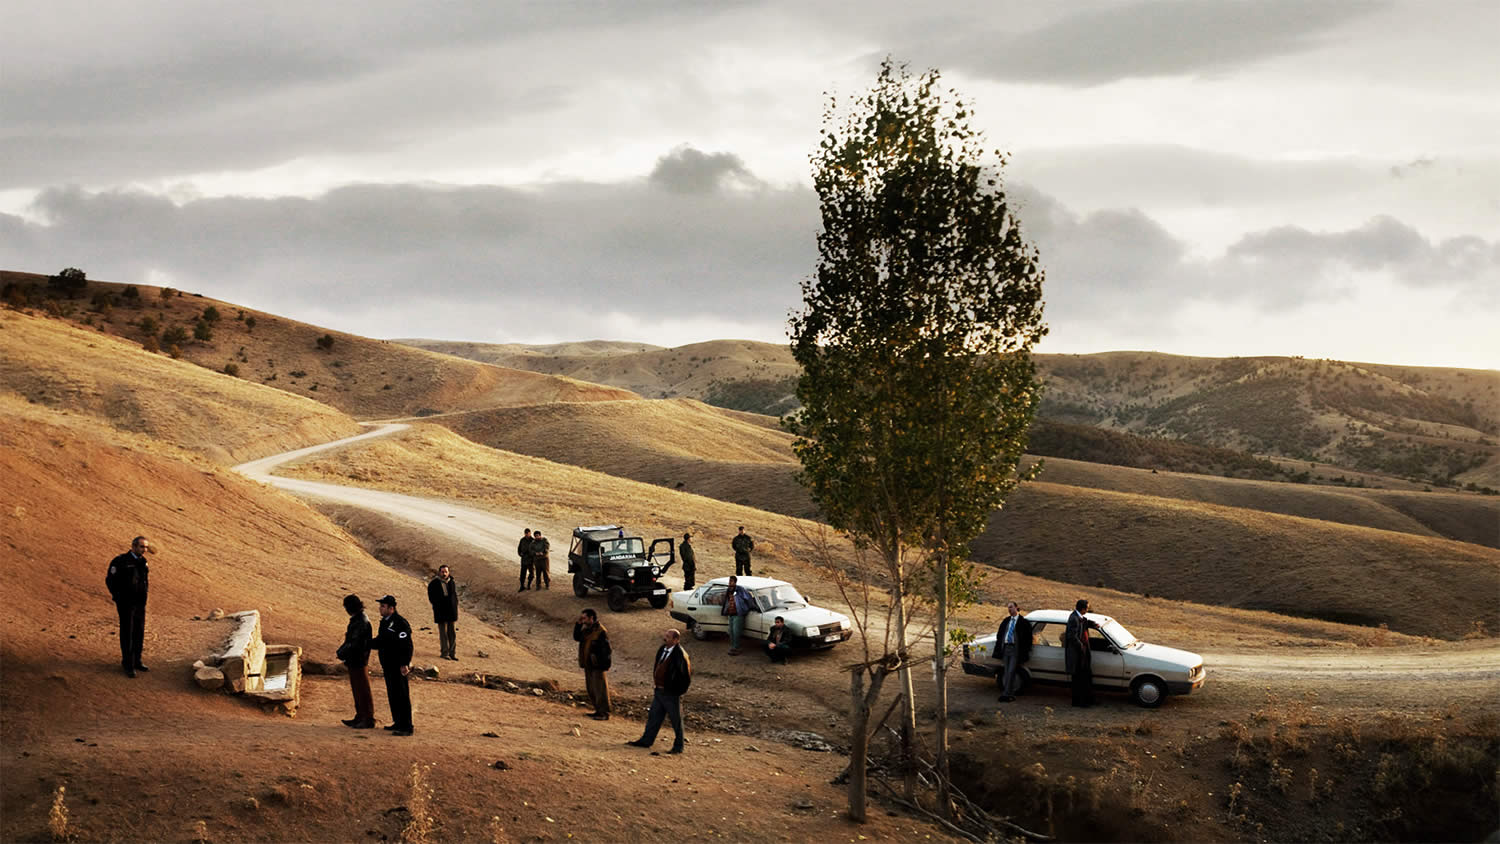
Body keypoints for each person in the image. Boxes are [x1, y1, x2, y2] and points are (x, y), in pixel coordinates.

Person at [627, 628, 692, 754]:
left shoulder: (680, 655)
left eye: (668, 637)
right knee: (654, 717)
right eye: (665, 635)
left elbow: (685, 677)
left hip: (671, 693)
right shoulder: (663, 649)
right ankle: (646, 741)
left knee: (676, 721)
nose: (665, 638)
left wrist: (677, 692)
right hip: (659, 691)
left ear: (676, 640)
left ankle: (679, 746)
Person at [105, 536, 152, 678]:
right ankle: (128, 664)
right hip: (126, 603)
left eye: (145, 547)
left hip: (139, 603)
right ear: (133, 546)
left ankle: (137, 661)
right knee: (127, 632)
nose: (144, 550)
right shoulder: (120, 561)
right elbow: (110, 580)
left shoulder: (143, 562)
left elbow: (144, 581)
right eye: (141, 547)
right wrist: (118, 597)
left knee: (139, 631)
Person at [370, 595, 415, 735]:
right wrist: (366, 643)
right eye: (380, 606)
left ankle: (406, 726)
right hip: (387, 664)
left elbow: (407, 645)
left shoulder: (400, 623)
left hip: (397, 665)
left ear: (391, 608)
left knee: (402, 694)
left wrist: (404, 663)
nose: (380, 608)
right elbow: (381, 641)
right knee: (393, 694)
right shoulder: (385, 622)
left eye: (383, 606)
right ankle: (398, 722)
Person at [336, 594, 375, 728]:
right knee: (357, 689)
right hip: (355, 659)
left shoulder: (361, 621)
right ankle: (360, 716)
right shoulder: (358, 619)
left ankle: (367, 718)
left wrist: (341, 652)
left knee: (362, 689)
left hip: (358, 659)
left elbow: (355, 643)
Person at [573, 608, 613, 720]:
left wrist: (604, 665)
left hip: (598, 665)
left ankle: (604, 713)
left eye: (584, 618)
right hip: (588, 664)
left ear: (591, 618)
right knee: (591, 689)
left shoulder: (601, 631)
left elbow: (607, 650)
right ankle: (597, 710)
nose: (583, 620)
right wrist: (578, 624)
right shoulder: (587, 629)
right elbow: (577, 637)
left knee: (600, 689)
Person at [1065, 598, 1103, 708]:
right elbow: (1072, 636)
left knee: (1086, 677)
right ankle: (1078, 702)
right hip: (1077, 654)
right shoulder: (1073, 619)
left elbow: (1084, 621)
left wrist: (1093, 624)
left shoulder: (1079, 617)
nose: (1087, 610)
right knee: (1078, 679)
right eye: (1087, 608)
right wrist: (1081, 646)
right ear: (1082, 609)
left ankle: (1088, 699)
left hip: (1082, 653)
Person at [996, 601, 1033, 702]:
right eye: (1008, 608)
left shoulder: (1023, 622)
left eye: (1011, 607)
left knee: (1011, 671)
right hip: (1006, 648)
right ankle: (1009, 694)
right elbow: (1000, 635)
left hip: (1016, 650)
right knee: (1007, 671)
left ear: (1017, 608)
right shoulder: (1006, 621)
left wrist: (1025, 651)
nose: (1009, 609)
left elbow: (1028, 639)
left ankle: (1006, 694)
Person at [427, 565, 459, 661]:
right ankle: (444, 653)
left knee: (452, 633)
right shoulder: (434, 583)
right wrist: (437, 605)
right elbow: (431, 597)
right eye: (442, 572)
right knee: (443, 633)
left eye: (446, 572)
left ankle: (452, 653)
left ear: (448, 572)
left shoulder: (451, 582)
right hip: (441, 611)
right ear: (439, 572)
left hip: (451, 612)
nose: (444, 574)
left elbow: (454, 596)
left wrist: (455, 606)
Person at [721, 575, 754, 656]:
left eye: (731, 581)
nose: (730, 583)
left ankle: (736, 647)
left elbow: (748, 598)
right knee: (731, 632)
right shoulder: (728, 590)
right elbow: (726, 601)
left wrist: (749, 608)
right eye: (729, 581)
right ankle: (733, 647)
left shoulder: (740, 589)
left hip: (738, 614)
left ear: (735, 582)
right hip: (731, 614)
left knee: (736, 632)